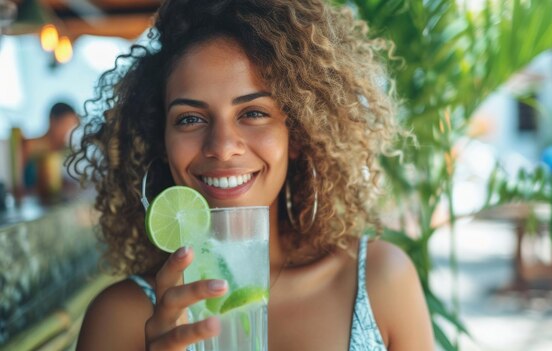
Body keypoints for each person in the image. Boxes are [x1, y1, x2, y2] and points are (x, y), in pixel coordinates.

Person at [70, 0, 434, 350]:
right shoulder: (119, 318)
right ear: (161, 143)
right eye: (190, 119)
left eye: (254, 113)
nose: (223, 146)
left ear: (297, 133)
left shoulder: (380, 281)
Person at [23, 101, 79, 195]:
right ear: (52, 121)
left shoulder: (68, 151)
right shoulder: (29, 146)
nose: (68, 131)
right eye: (64, 125)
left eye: (72, 126)